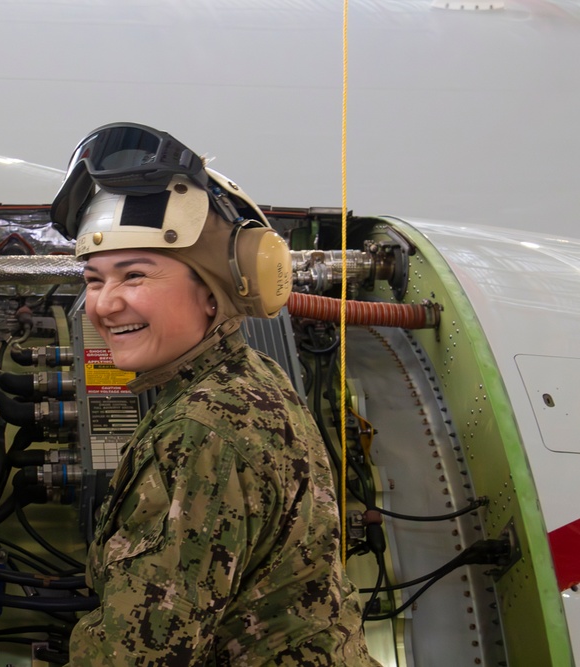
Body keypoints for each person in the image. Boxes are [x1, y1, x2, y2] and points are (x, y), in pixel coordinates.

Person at [49, 123, 380, 666]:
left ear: (214, 292)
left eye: (134, 276)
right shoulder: (252, 377)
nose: (104, 306)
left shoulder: (201, 432)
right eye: (93, 279)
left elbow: (138, 656)